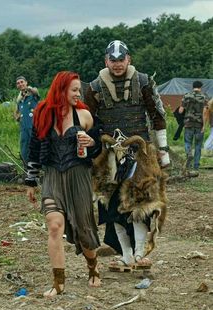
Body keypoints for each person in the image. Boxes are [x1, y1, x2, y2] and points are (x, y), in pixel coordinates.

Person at [84, 40, 170, 271]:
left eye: (121, 60)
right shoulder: (94, 87)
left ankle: (141, 253)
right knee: (113, 206)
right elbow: (86, 120)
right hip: (108, 154)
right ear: (106, 61)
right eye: (113, 60)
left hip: (140, 153)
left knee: (141, 203)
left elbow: (158, 116)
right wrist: (87, 148)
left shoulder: (143, 82)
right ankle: (126, 255)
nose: (117, 64)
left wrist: (163, 149)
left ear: (128, 59)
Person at [25, 71, 102, 299]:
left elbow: (97, 146)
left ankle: (93, 266)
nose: (78, 94)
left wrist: (92, 142)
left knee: (84, 231)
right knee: (54, 225)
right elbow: (34, 149)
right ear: (61, 89)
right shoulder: (42, 112)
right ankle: (58, 283)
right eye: (75, 90)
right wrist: (31, 181)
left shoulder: (83, 115)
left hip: (78, 177)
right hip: (52, 177)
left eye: (79, 90)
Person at [179, 80, 209, 173]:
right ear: (201, 87)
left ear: (193, 86)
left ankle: (189, 155)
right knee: (198, 145)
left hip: (188, 123)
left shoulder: (186, 95)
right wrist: (204, 125)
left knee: (188, 142)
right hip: (199, 125)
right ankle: (196, 166)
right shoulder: (204, 97)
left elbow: (180, 111)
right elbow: (205, 112)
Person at [14, 76, 40, 166]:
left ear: (26, 82)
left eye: (22, 82)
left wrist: (30, 89)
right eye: (18, 83)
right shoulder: (19, 98)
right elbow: (16, 112)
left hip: (34, 125)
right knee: (24, 147)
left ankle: (41, 168)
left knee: (36, 146)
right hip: (23, 127)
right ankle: (26, 167)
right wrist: (16, 117)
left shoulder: (32, 94)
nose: (20, 84)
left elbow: (36, 91)